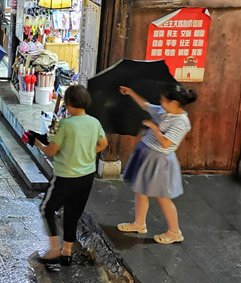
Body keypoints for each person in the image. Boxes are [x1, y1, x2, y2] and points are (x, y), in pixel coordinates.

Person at [34, 86, 109, 264]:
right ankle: (66, 252)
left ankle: (54, 249)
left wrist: (37, 143)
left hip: (65, 176)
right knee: (72, 212)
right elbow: (103, 143)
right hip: (86, 176)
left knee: (47, 208)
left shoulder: (66, 124)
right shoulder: (94, 122)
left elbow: (51, 150)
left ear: (69, 103)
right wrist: (88, 154)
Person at [117, 84, 196, 244]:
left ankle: (175, 232)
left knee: (162, 197)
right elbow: (145, 105)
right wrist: (131, 92)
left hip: (160, 160)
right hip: (146, 152)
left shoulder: (181, 121)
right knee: (140, 189)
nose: (160, 102)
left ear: (174, 102)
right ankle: (139, 223)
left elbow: (166, 143)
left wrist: (153, 126)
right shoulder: (163, 110)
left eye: (163, 100)